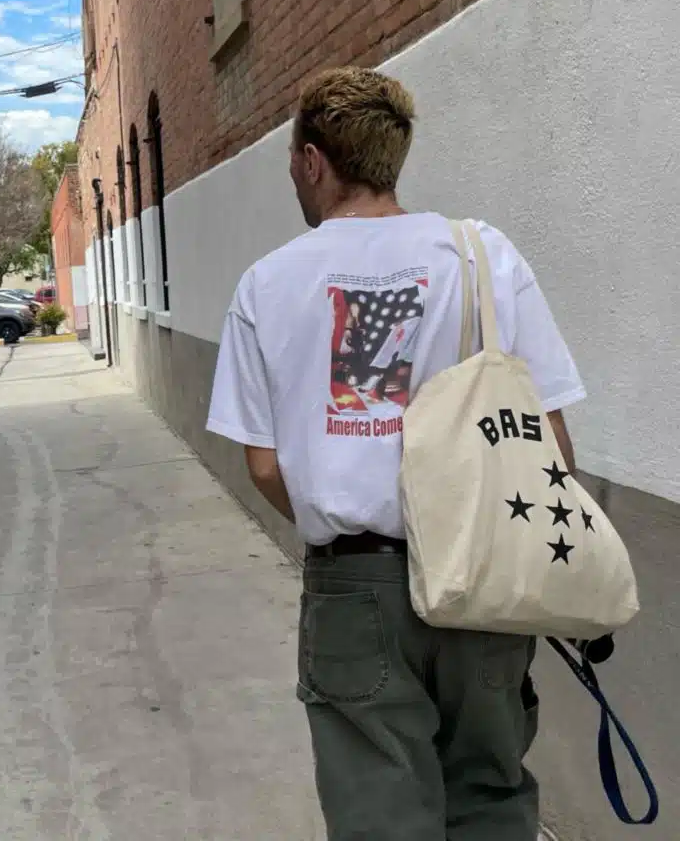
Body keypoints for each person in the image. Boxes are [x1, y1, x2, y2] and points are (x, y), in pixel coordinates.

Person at [205, 67, 586, 840]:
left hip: (356, 585)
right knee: (491, 797)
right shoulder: (484, 256)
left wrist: (346, 517)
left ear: (313, 160)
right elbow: (552, 441)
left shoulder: (266, 285)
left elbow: (265, 466)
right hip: (482, 572)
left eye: (292, 162)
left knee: (377, 814)